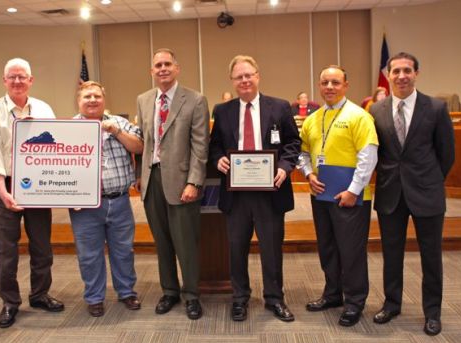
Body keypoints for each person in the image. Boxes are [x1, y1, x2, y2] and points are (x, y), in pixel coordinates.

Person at [209, 55, 300, 323]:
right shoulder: (222, 110)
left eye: (249, 75)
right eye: (239, 77)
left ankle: (274, 298)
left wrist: (284, 167)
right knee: (236, 248)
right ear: (232, 81)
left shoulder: (280, 107)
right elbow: (214, 145)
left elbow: (293, 143)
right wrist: (218, 159)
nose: (245, 80)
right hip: (236, 194)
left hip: (271, 191)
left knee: (272, 248)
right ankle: (240, 298)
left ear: (258, 76)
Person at [369, 52, 455, 336]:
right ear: (389, 74)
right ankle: (392, 304)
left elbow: (447, 154)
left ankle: (432, 312)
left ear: (416, 73)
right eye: (396, 71)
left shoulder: (436, 108)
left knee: (431, 256)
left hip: (427, 193)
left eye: (407, 70)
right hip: (390, 194)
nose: (402, 75)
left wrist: (429, 180)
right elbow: (376, 154)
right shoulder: (376, 110)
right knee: (391, 254)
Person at [0, 58, 64, 328]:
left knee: (42, 246)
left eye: (22, 76)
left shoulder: (43, 108)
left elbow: (55, 146)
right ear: (4, 81)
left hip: (37, 186)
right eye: (12, 77)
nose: (17, 81)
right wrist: (3, 192)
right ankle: (10, 302)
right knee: (6, 249)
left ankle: (39, 294)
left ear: (31, 80)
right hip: (4, 184)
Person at [298, 65, 378, 327]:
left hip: (351, 197)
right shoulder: (313, 118)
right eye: (324, 82)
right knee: (328, 247)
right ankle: (333, 294)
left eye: (335, 82)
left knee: (351, 251)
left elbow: (368, 156)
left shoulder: (359, 116)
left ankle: (355, 301)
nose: (329, 87)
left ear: (346, 85)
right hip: (321, 194)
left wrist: (354, 191)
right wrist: (309, 174)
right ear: (319, 86)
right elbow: (303, 151)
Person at [136, 48, 210, 320]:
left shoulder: (195, 99)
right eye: (158, 65)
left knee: (186, 242)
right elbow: (144, 142)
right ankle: (169, 291)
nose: (163, 68)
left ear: (177, 68)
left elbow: (200, 146)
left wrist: (194, 182)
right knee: (162, 242)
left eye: (168, 64)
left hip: (181, 182)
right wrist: (140, 174)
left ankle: (191, 295)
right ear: (152, 71)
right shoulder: (143, 100)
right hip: (151, 180)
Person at [70, 81, 144, 317]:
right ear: (78, 101)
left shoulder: (120, 123)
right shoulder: (68, 128)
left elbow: (139, 147)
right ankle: (94, 297)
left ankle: (126, 292)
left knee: (123, 251)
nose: (92, 100)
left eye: (97, 96)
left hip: (120, 201)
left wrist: (116, 131)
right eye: (87, 96)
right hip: (85, 205)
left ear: (104, 99)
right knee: (89, 255)